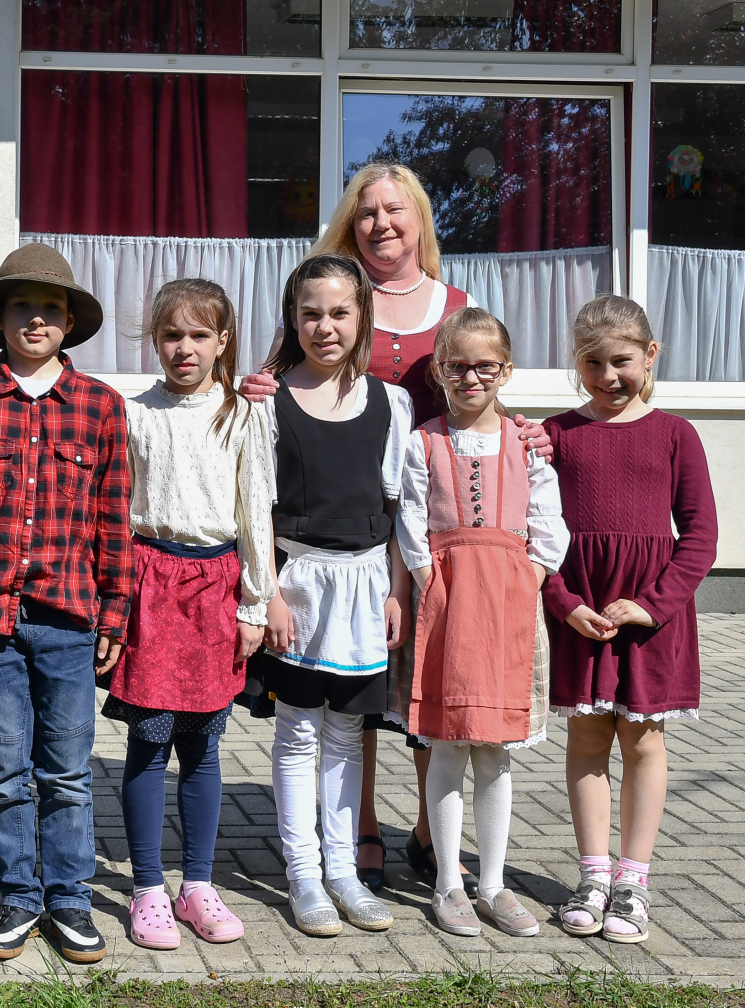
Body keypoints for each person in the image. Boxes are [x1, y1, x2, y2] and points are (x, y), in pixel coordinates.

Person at [241, 163, 547, 894]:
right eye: (367, 211)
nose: (381, 223)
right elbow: (275, 388)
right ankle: (364, 827)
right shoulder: (332, 295)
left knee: (431, 677)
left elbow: (486, 385)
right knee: (363, 688)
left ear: (420, 219)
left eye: (394, 209)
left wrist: (530, 435)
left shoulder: (456, 304)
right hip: (356, 530)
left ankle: (430, 830)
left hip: (440, 522)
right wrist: (249, 387)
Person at [0, 243, 131, 964]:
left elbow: (113, 517)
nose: (36, 319)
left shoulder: (101, 407)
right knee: (3, 767)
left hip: (69, 620)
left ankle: (69, 898)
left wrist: (116, 611)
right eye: (22, 306)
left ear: (69, 321)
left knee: (67, 770)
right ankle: (17, 893)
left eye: (50, 307)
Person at [240, 253, 409, 937]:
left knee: (347, 736)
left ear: (362, 316)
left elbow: (399, 507)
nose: (325, 326)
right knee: (298, 734)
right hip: (300, 585)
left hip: (366, 587)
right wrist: (270, 596)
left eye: (339, 312)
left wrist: (396, 591)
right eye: (310, 313)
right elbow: (256, 509)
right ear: (292, 319)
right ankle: (304, 874)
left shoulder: (390, 402)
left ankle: (344, 871)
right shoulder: (267, 402)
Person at [107, 279, 274, 951]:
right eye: (172, 334)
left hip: (216, 587)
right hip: (149, 582)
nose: (186, 348)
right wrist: (113, 602)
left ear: (223, 342)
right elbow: (115, 512)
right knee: (149, 740)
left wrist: (256, 601)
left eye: (200, 335)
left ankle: (197, 884)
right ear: (154, 340)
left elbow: (255, 509)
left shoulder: (243, 415)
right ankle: (147, 888)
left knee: (203, 745)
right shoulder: (132, 414)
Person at [545, 296, 716, 946]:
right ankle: (592, 877)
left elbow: (701, 535)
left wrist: (653, 603)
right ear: (576, 363)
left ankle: (632, 881)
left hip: (650, 618)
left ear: (649, 356)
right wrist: (564, 603)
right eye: (592, 363)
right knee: (588, 739)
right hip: (584, 610)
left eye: (621, 360)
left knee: (643, 742)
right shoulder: (557, 435)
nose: (607, 375)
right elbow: (535, 533)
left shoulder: (676, 435)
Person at [395, 308, 568, 938]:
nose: (471, 378)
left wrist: (533, 574)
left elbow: (548, 520)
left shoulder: (525, 443)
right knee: (447, 744)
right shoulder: (424, 441)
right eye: (457, 366)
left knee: (494, 750)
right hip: (448, 603)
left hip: (508, 605)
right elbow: (411, 518)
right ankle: (448, 883)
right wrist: (429, 578)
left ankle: (492, 883)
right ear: (440, 371)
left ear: (506, 371)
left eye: (485, 366)